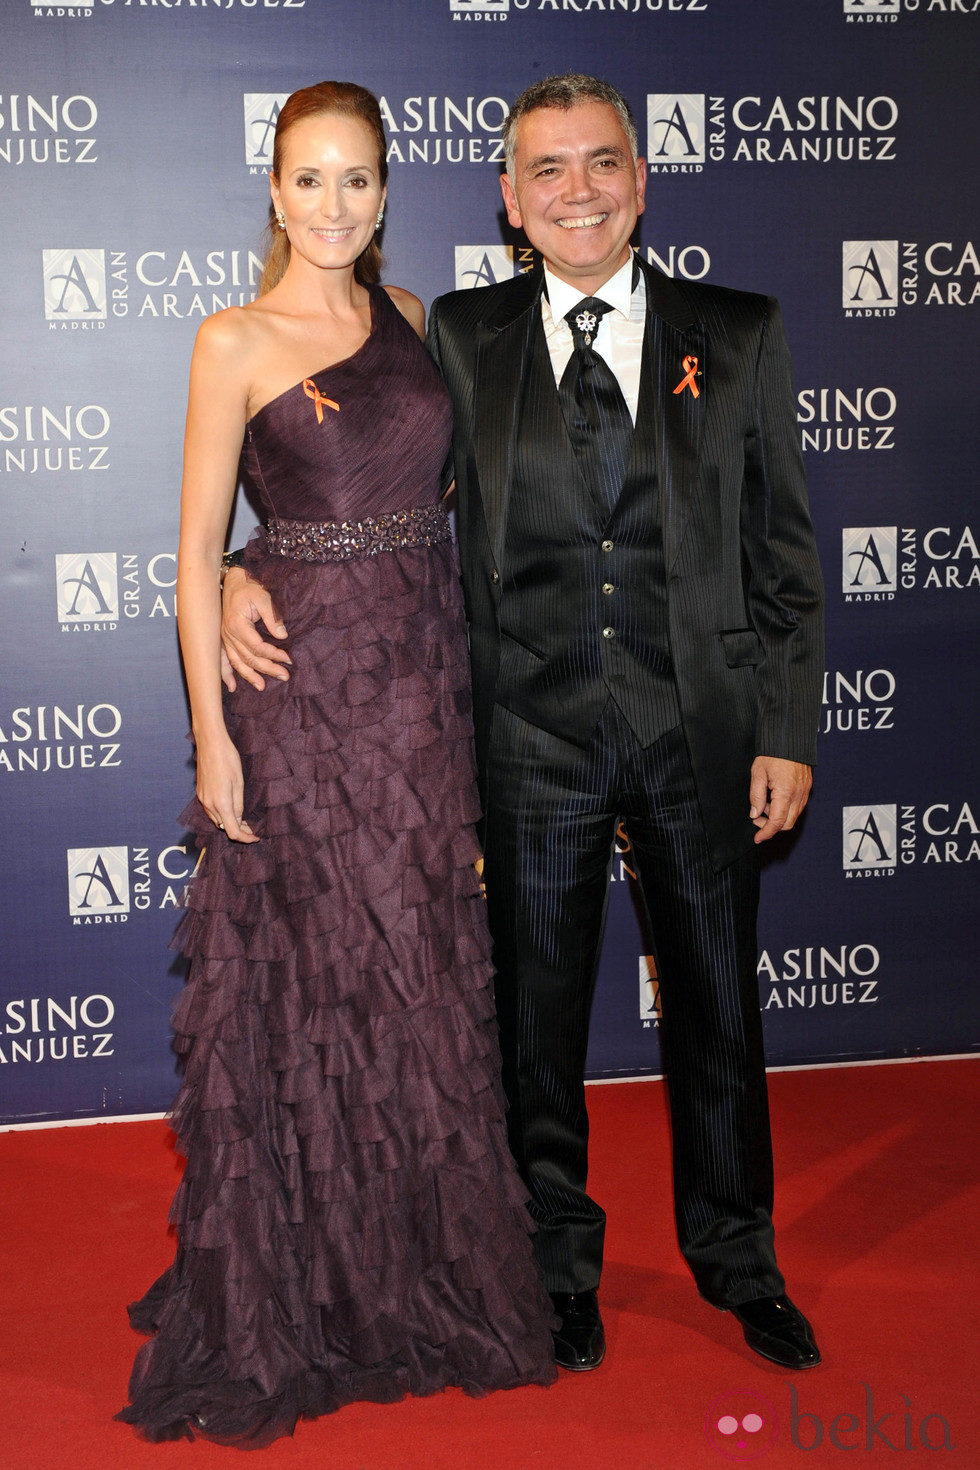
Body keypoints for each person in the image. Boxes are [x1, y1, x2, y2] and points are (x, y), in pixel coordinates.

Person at [222, 74, 826, 1377]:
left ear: (643, 178)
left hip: (700, 732)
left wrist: (785, 728)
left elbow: (782, 553)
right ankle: (558, 1267)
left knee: (719, 1003)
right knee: (535, 1022)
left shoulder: (742, 331)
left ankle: (739, 1257)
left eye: (601, 163)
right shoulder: (460, 335)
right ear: (508, 199)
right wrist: (234, 568)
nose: (578, 191)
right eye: (546, 171)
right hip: (529, 735)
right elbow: (353, 479)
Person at [116, 80, 557, 1450]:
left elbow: (436, 501)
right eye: (308, 179)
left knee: (418, 974)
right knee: (312, 981)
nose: (333, 205)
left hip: (422, 690)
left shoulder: (418, 322)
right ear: (273, 190)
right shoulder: (230, 337)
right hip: (299, 700)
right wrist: (215, 738)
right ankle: (302, 1293)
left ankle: (418, 1278)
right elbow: (193, 555)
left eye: (357, 179)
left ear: (386, 189)